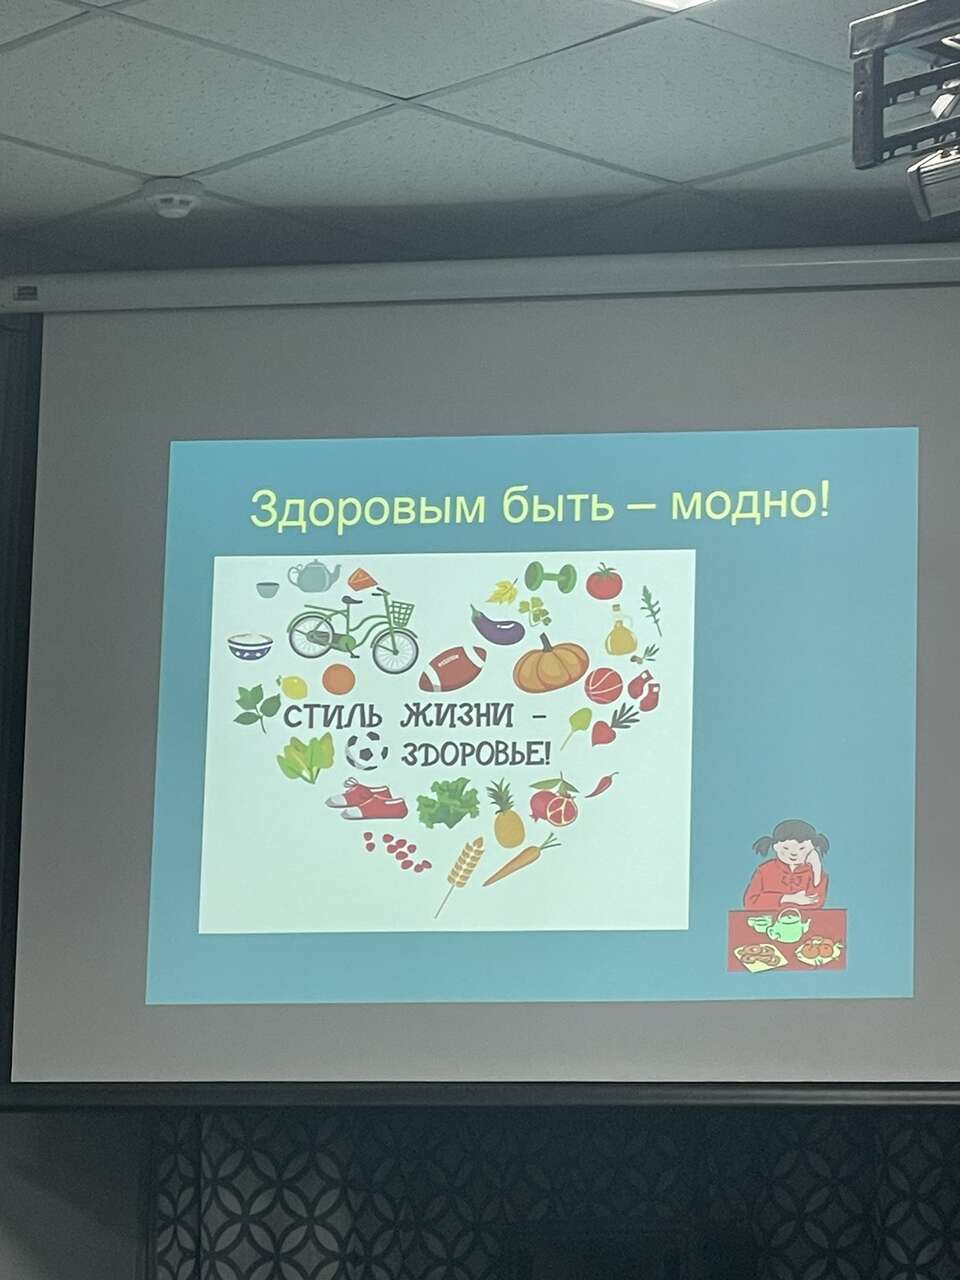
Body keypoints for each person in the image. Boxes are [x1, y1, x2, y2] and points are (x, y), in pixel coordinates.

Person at [743, 818, 830, 911]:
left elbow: (816, 902)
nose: (794, 853)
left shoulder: (817, 872)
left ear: (812, 848)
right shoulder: (764, 870)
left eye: (801, 848)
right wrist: (788, 898)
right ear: (775, 847)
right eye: (786, 848)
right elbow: (750, 902)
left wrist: (816, 867)